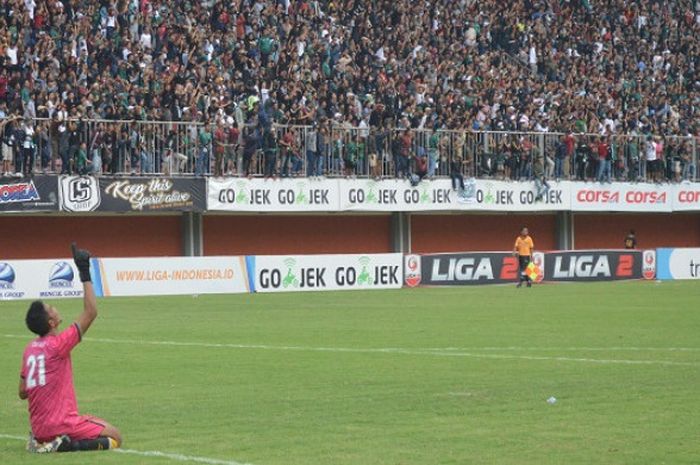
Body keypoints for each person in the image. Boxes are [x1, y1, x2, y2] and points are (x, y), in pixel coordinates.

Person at [20, 243, 122, 453]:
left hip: (39, 428)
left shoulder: (30, 349)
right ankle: (65, 445)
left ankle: (45, 442)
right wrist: (84, 271)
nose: (55, 308)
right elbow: (91, 312)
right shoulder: (58, 344)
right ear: (51, 323)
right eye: (51, 309)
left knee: (92, 421)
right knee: (115, 437)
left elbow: (22, 392)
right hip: (61, 424)